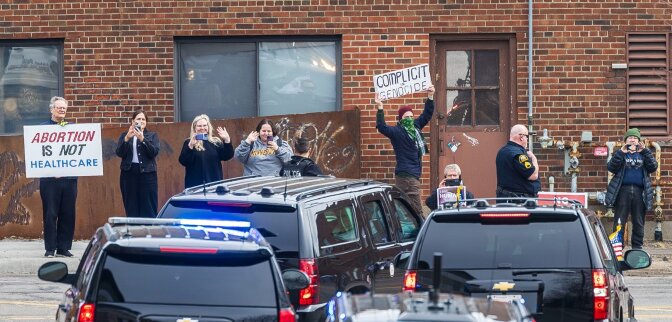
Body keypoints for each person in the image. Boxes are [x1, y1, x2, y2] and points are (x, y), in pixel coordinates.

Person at [375, 84, 435, 216]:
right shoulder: (397, 131)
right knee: (417, 210)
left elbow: (427, 115)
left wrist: (430, 96)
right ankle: (421, 232)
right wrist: (380, 108)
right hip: (407, 176)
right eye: (406, 117)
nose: (409, 119)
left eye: (411, 116)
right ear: (400, 118)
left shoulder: (416, 127)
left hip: (411, 174)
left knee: (404, 208)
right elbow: (382, 127)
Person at [605, 128, 657, 249]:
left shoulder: (644, 154)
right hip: (623, 191)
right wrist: (620, 153)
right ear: (625, 140)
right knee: (619, 221)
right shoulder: (621, 153)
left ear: (639, 141)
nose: (632, 140)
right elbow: (611, 167)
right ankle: (617, 247)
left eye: (635, 138)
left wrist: (646, 152)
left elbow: (653, 167)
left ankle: (637, 248)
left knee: (638, 221)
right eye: (630, 138)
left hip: (640, 192)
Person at [40, 96, 77, 258]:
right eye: (58, 107)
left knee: (68, 213)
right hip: (50, 180)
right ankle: (50, 248)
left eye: (64, 108)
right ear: (51, 110)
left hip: (69, 179)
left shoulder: (73, 129)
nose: (62, 110)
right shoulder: (42, 129)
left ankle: (63, 247)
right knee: (50, 214)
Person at [115, 110, 160, 218]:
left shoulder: (152, 136)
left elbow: (153, 152)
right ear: (132, 121)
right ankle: (134, 232)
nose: (141, 121)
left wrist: (142, 139)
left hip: (147, 174)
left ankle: (149, 232)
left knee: (148, 206)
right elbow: (119, 153)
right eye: (138, 119)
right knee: (131, 206)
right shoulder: (125, 135)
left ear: (146, 122)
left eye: (143, 119)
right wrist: (127, 138)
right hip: (128, 174)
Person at [178, 114, 234, 189]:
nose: (202, 128)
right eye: (199, 126)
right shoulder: (188, 142)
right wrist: (191, 145)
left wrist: (227, 140)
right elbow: (183, 161)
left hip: (214, 184)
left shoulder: (215, 142)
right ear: (194, 128)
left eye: (205, 125)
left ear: (208, 127)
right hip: (195, 186)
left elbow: (227, 156)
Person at [495, 124, 540, 201]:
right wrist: (534, 159)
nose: (527, 140)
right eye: (527, 137)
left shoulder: (502, 151)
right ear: (521, 137)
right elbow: (533, 175)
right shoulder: (518, 154)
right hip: (519, 202)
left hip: (505, 200)